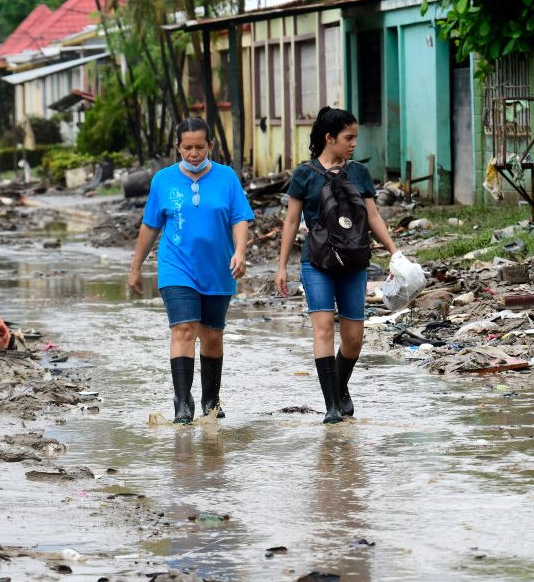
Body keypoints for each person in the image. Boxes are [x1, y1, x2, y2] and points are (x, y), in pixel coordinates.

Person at [274, 106, 398, 424]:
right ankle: (331, 406)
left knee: (354, 339)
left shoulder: (359, 173)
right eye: (348, 138)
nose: (354, 143)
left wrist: (395, 253)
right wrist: (282, 266)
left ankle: (339, 387)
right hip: (316, 261)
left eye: (355, 137)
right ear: (329, 138)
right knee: (324, 328)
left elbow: (373, 216)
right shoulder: (304, 174)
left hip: (353, 260)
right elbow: (291, 222)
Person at [129, 117, 255, 424]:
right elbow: (150, 226)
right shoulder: (163, 180)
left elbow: (239, 219)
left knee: (212, 335)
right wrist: (136, 267)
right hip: (176, 266)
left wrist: (240, 252)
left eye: (200, 147)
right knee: (184, 329)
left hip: (218, 267)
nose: (194, 153)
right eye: (187, 148)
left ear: (210, 145)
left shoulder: (226, 178)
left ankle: (210, 399)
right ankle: (182, 402)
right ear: (178, 147)